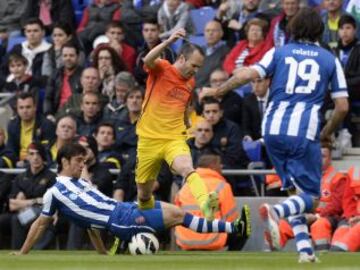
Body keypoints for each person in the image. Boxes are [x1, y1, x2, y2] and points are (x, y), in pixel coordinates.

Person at [211, 7, 349, 262]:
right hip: (302, 131)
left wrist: (220, 90)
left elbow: (248, 74)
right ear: (319, 30)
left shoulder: (280, 51)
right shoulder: (330, 59)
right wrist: (326, 132)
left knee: (294, 193)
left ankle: (305, 252)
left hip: (271, 129)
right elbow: (342, 106)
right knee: (312, 198)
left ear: (293, 28)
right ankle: (277, 213)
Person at [13, 142, 251, 255]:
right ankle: (234, 228)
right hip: (122, 219)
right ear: (64, 162)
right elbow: (40, 223)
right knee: (179, 215)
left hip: (125, 209)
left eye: (84, 161)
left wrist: (102, 253)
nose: (82, 165)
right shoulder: (54, 193)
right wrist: (23, 253)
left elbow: (91, 225)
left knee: (178, 214)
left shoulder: (81, 184)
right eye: (78, 161)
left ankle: (234, 227)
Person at [135, 28, 219, 220]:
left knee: (187, 168)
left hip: (174, 138)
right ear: (181, 58)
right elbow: (146, 60)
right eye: (194, 65)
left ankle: (205, 203)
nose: (195, 71)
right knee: (144, 193)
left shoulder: (190, 82)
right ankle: (142, 222)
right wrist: (167, 41)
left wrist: (186, 121)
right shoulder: (162, 68)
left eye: (199, 67)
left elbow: (184, 104)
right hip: (148, 140)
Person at [175, 153, 248, 251]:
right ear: (212, 166)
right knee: (243, 227)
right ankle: (230, 260)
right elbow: (231, 218)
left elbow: (175, 213)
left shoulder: (186, 185)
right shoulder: (222, 186)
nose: (221, 167)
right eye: (219, 164)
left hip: (185, 240)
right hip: (212, 239)